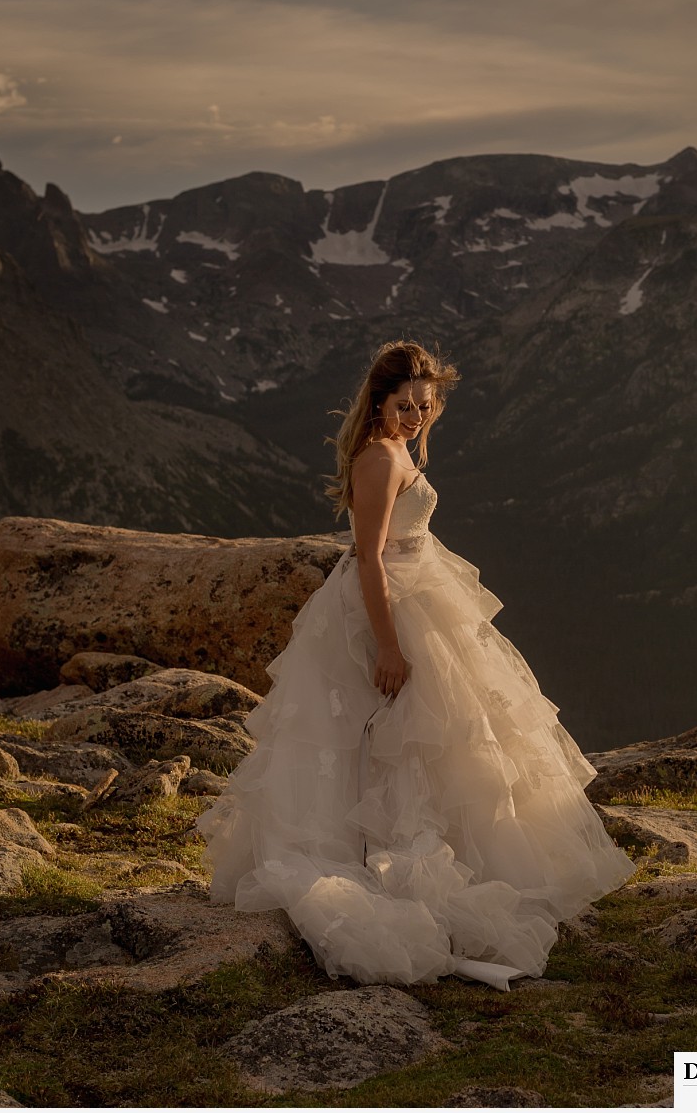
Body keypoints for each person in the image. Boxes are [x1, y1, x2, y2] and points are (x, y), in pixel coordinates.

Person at [196, 340, 634, 988]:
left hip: (417, 592)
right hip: (389, 608)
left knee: (434, 740)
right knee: (395, 737)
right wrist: (391, 647)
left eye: (426, 406)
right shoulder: (377, 457)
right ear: (379, 401)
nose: (416, 418)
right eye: (405, 406)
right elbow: (369, 557)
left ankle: (442, 859)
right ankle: (388, 865)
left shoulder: (398, 448)